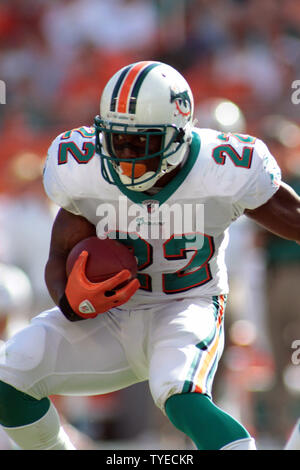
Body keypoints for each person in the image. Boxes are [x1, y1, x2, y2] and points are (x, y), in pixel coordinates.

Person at [0, 60, 299, 451]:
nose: (124, 155)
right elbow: (58, 257)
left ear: (178, 133)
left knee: (180, 394)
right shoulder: (82, 166)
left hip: (185, 305)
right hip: (111, 315)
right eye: (115, 140)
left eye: (140, 143)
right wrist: (70, 301)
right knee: (10, 378)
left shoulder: (223, 167)